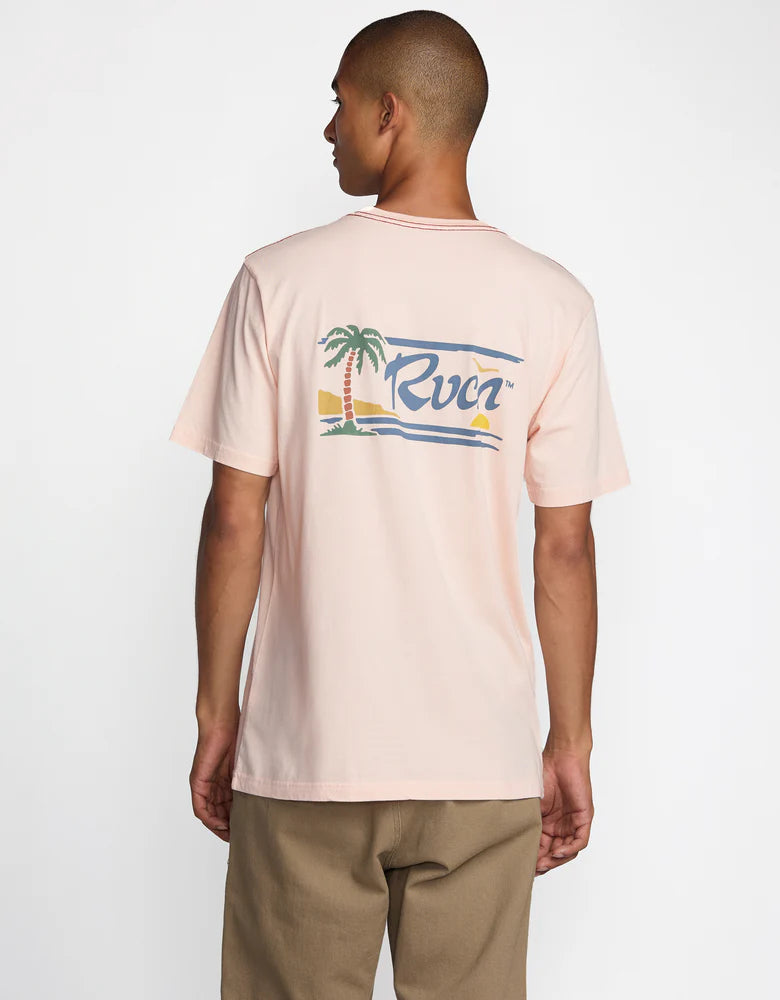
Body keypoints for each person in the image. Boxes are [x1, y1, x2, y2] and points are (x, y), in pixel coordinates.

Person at [168, 9, 630, 999]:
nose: (327, 128)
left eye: (337, 105)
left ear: (389, 113)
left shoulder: (277, 282)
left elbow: (235, 516)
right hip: (479, 765)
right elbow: (565, 546)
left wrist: (217, 714)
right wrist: (569, 740)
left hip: (310, 753)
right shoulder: (553, 302)